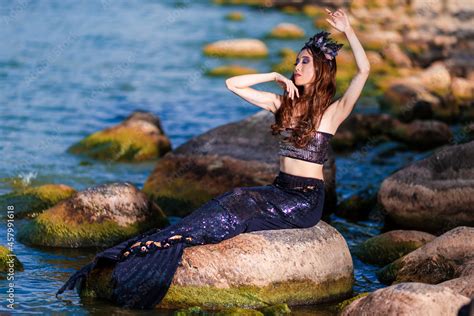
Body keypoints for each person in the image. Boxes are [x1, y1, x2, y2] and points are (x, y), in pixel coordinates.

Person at [56, 8, 370, 309]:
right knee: (234, 197)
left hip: (304, 201)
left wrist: (349, 30)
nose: (297, 67)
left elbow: (364, 71)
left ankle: (175, 240)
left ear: (321, 70)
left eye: (304, 62)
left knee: (239, 200)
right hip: (279, 188)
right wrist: (272, 74)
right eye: (296, 61)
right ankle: (165, 241)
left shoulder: (330, 114)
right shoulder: (281, 104)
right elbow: (231, 84)